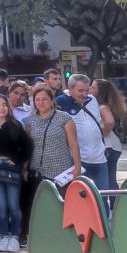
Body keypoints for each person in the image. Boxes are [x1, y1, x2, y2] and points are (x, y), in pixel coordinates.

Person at [22, 85, 80, 244]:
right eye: (37, 100)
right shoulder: (29, 121)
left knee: (63, 206)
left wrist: (77, 167)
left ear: (52, 101)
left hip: (61, 170)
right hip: (37, 170)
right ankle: (46, 238)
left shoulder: (64, 118)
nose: (41, 103)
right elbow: (27, 146)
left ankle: (66, 237)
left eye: (44, 99)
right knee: (41, 206)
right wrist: (25, 167)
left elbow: (73, 144)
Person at [0, 95, 30, 253]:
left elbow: (27, 147)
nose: (1, 108)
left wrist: (16, 160)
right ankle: (4, 237)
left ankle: (15, 236)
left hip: (11, 169)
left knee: (13, 204)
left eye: (4, 105)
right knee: (1, 204)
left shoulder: (15, 125)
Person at [56, 74, 112, 192]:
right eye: (80, 90)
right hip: (78, 161)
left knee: (103, 196)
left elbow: (97, 122)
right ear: (70, 89)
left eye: (87, 90)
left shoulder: (92, 99)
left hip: (99, 158)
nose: (85, 94)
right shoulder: (61, 102)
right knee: (83, 197)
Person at [92, 78, 126, 195]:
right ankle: (114, 204)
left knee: (109, 179)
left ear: (100, 91)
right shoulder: (103, 105)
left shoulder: (102, 107)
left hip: (108, 146)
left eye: (93, 87)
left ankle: (113, 205)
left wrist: (102, 133)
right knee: (110, 178)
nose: (90, 90)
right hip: (112, 146)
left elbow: (109, 122)